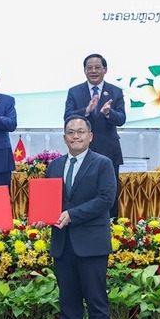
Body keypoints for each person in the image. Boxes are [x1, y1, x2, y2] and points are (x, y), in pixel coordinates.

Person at [42, 115, 116, 319]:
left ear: (90, 136)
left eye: (80, 132)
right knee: (68, 303)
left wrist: (73, 215)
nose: (75, 136)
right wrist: (42, 216)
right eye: (71, 132)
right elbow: (48, 202)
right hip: (63, 245)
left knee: (97, 302)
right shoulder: (54, 166)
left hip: (92, 245)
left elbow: (106, 199)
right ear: (64, 137)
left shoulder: (103, 163)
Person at [64, 53, 125, 219]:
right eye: (89, 68)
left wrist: (108, 112)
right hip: (81, 150)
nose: (93, 71)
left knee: (109, 192)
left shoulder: (116, 91)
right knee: (81, 191)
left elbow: (121, 119)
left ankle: (112, 226)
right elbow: (67, 116)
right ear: (84, 70)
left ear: (105, 69)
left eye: (97, 67)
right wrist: (86, 111)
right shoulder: (74, 92)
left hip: (108, 150)